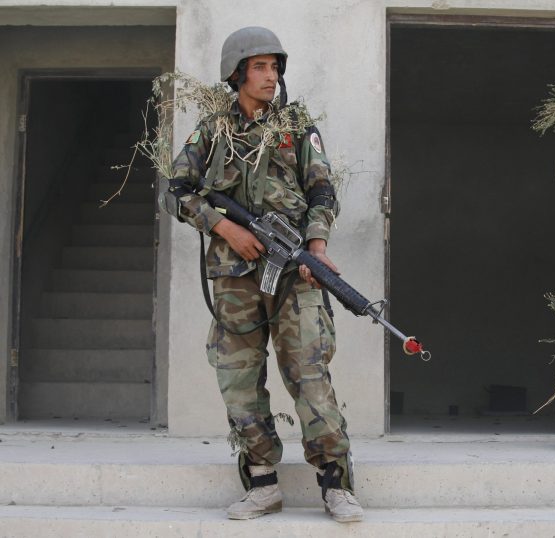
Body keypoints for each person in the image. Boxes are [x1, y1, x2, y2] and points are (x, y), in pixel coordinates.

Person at [168, 26, 362, 522]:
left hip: (295, 273)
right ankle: (261, 483)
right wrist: (225, 228)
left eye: (275, 67)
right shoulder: (213, 130)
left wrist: (315, 246)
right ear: (236, 73)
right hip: (234, 277)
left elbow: (323, 189)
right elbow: (178, 191)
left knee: (310, 374)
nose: (270, 76)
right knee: (238, 378)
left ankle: (335, 484)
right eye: (260, 67)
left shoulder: (297, 126)